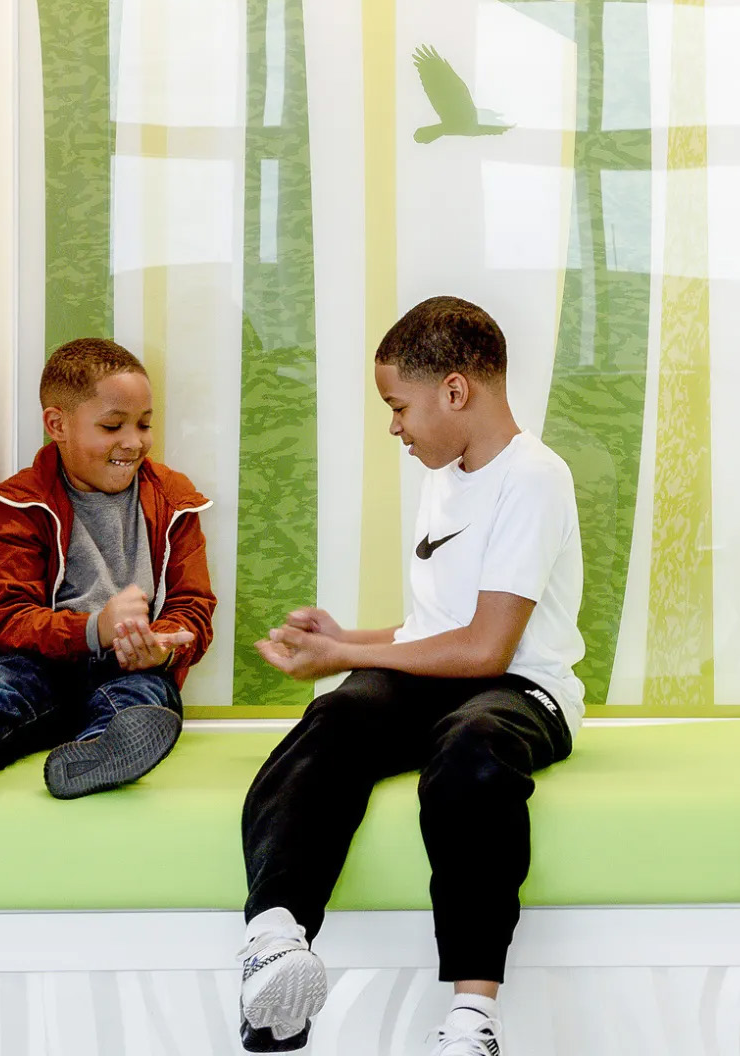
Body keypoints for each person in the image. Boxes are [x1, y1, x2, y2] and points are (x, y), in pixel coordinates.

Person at [235, 297, 584, 1056]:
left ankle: (472, 1020)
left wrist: (349, 657)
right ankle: (276, 941)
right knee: (334, 720)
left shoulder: (533, 478)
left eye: (399, 407)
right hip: (450, 676)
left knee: (470, 749)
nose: (395, 426)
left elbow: (487, 649)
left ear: (455, 392)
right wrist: (345, 641)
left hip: (524, 691)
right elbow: (432, 635)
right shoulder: (446, 473)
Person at [0, 337, 215, 812]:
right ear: (57, 425)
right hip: (42, 662)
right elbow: (5, 617)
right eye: (112, 425)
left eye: (144, 424)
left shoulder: (175, 498)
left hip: (128, 665)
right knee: (5, 687)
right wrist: (94, 628)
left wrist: (165, 644)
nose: (133, 441)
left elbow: (193, 606)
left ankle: (94, 757)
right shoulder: (21, 500)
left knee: (143, 698)